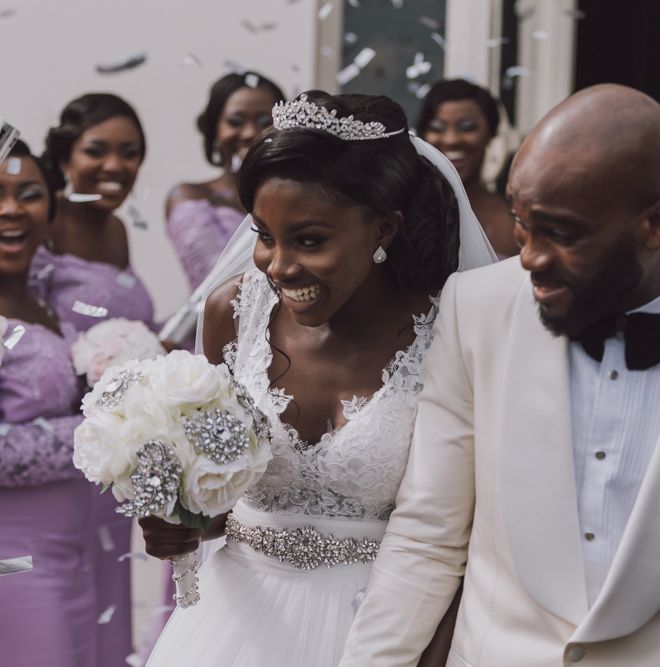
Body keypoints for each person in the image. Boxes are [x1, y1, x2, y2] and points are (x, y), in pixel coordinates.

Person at [340, 83, 660, 666]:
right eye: (522, 226)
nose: (529, 257)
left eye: (562, 234)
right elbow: (427, 537)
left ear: (656, 225)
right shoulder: (477, 310)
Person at [140, 91, 496, 667]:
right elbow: (212, 501)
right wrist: (176, 521)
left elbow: (474, 532)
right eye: (264, 235)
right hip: (233, 628)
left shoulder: (451, 329)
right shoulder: (232, 313)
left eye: (310, 241)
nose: (279, 267)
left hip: (383, 631)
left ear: (383, 228)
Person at [30, 92, 156, 665]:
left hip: (117, 456)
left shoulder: (115, 233)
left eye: (130, 153)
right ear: (64, 157)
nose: (116, 165)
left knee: (110, 587)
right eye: (97, 151)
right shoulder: (41, 226)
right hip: (70, 448)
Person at [0, 140, 96, 666]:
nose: (12, 209)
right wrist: (102, 430)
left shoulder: (44, 301)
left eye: (29, 193)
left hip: (68, 556)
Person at [166, 72, 285, 292]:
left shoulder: (294, 197)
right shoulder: (191, 197)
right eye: (235, 121)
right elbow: (214, 281)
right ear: (215, 129)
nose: (250, 132)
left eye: (265, 122)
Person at [417, 79, 518, 259]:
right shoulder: (403, 211)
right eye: (437, 127)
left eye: (467, 127)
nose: (451, 140)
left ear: (490, 133)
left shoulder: (513, 220)